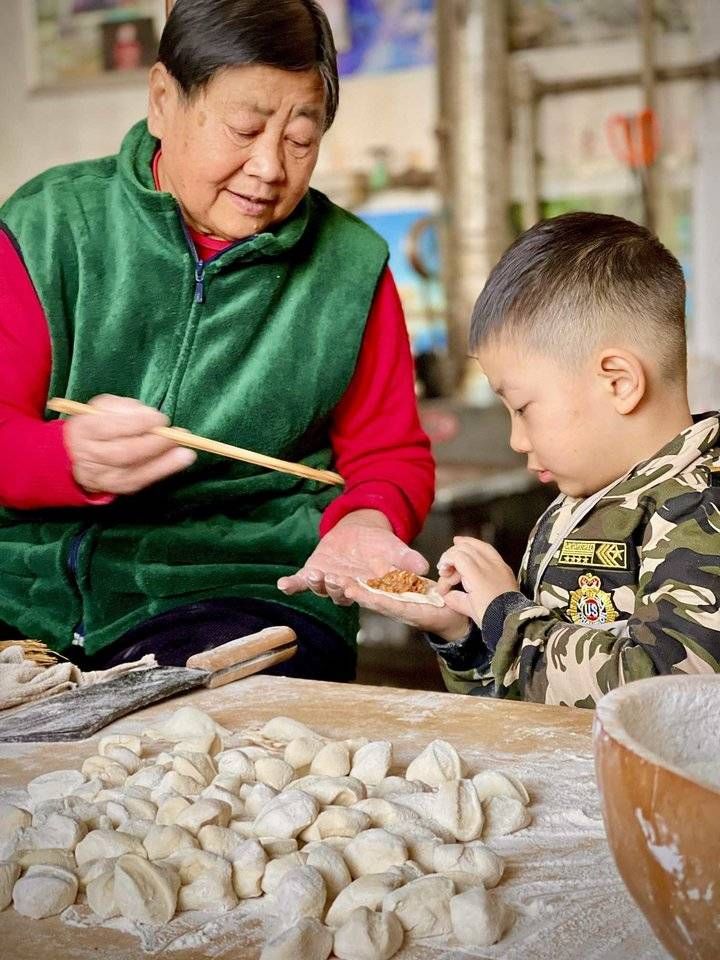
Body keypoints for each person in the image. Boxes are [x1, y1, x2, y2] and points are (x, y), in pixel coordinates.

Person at [0, 0, 434, 680]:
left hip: (243, 592)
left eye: (300, 139)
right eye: (244, 129)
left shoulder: (350, 267)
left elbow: (389, 454)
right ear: (163, 100)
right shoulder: (50, 226)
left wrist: (368, 521)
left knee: (217, 743)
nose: (268, 167)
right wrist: (65, 460)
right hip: (24, 590)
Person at [343, 212, 720, 707]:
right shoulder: (577, 501)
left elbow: (672, 696)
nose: (517, 440)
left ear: (619, 382)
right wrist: (465, 633)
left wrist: (505, 613)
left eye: (522, 408)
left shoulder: (699, 506)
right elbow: (521, 695)